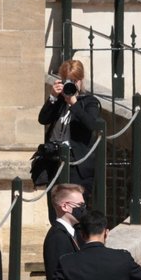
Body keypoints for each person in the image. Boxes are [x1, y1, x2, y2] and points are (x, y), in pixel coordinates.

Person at [37, 59, 102, 220]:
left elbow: (91, 124)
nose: (71, 84)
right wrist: (52, 96)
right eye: (67, 80)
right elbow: (43, 119)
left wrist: (74, 103)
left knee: (75, 212)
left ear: (81, 80)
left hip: (76, 164)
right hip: (55, 161)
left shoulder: (89, 102)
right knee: (55, 209)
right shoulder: (58, 101)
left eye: (74, 80)